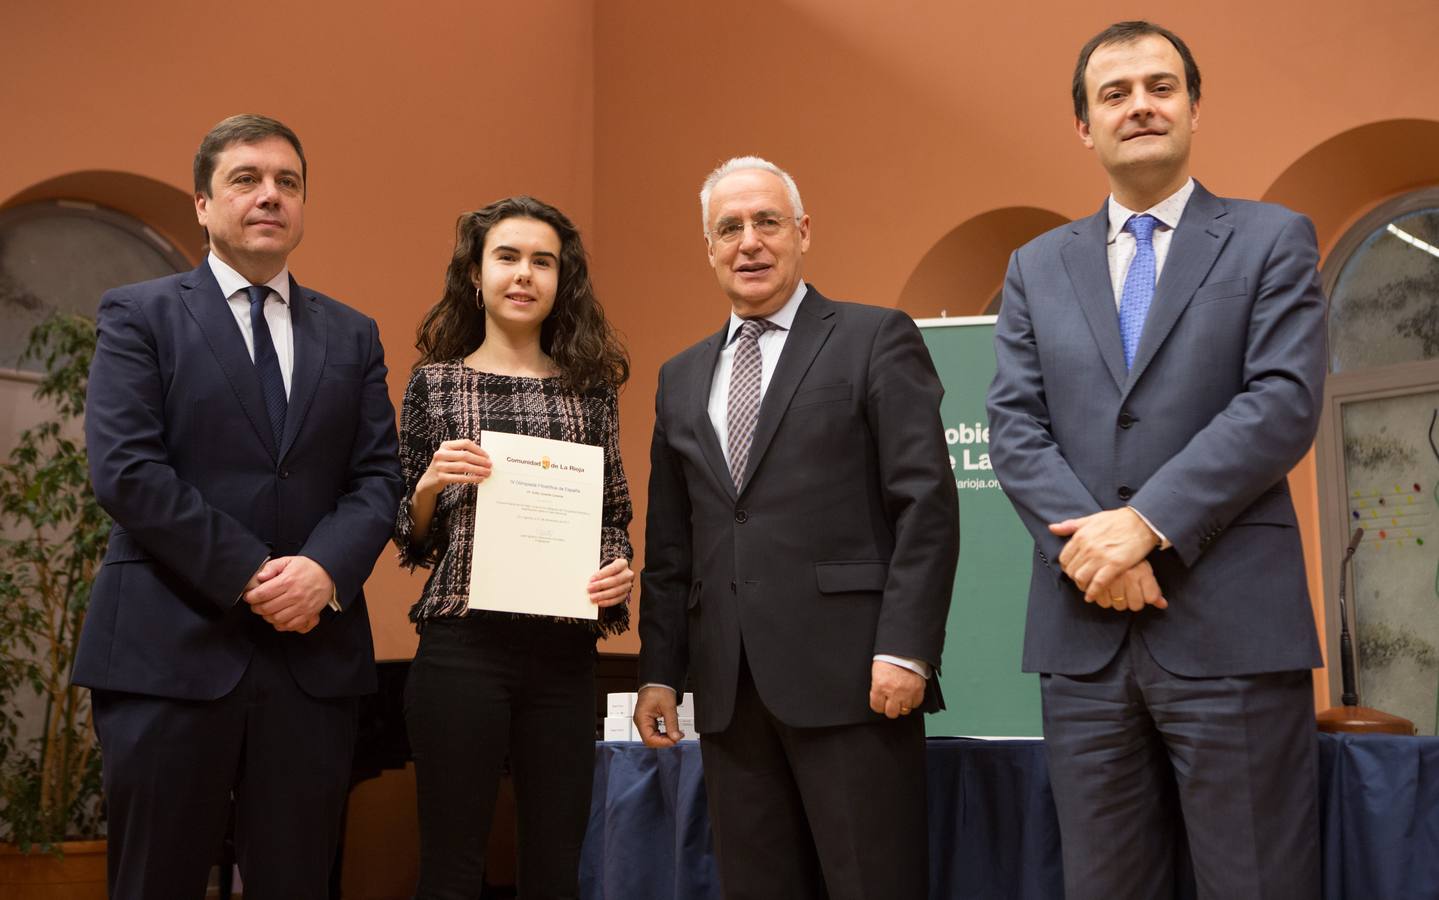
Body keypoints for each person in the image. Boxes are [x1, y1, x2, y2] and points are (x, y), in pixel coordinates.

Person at [985, 21, 1326, 899]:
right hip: (1084, 636)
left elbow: (1280, 404)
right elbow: (1015, 427)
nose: (1139, 104)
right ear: (1083, 127)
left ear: (1193, 107)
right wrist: (1094, 555)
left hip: (1233, 637)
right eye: (1114, 93)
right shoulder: (1034, 266)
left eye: (1159, 86)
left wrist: (1143, 526)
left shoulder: (1269, 239)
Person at [75, 114, 403, 899]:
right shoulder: (140, 313)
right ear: (202, 203)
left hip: (309, 665)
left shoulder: (352, 335)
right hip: (168, 651)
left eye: (287, 183)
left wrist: (323, 572)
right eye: (246, 180)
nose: (269, 196)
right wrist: (254, 572)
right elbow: (126, 469)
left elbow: (378, 477)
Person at [633, 157, 959, 900]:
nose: (748, 242)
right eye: (729, 228)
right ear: (708, 248)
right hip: (727, 694)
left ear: (802, 232)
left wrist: (906, 649)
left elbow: (926, 506)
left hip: (854, 685)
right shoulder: (679, 376)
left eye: (766, 222)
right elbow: (671, 542)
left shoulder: (874, 338)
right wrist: (659, 669)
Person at [394, 195, 634, 899]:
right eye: (506, 257)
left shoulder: (591, 392)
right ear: (475, 274)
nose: (523, 274)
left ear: (563, 281)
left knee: (557, 866)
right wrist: (431, 483)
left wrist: (615, 570)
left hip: (563, 657)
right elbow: (410, 534)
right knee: (451, 863)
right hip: (461, 648)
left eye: (542, 261)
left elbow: (612, 512)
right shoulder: (434, 383)